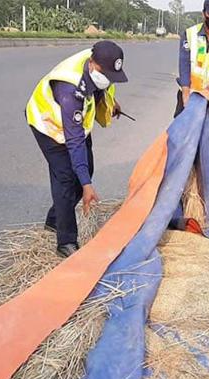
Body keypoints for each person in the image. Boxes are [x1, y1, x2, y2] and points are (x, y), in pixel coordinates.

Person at [26, 41, 128, 257]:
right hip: (49, 126)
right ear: (92, 64)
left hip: (76, 126)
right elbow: (74, 142)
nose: (108, 79)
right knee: (65, 178)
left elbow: (102, 86)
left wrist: (111, 101)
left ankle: (55, 219)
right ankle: (66, 242)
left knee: (85, 170)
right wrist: (86, 186)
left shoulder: (98, 63)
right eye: (106, 75)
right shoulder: (70, 89)